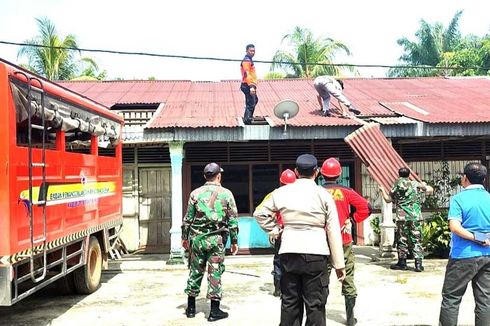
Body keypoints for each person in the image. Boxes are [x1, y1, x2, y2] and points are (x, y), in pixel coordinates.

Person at [254, 154, 346, 326]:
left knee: (290, 303)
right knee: (315, 305)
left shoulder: (281, 192)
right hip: (316, 253)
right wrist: (339, 264)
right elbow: (333, 230)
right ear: (316, 172)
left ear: (296, 172)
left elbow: (259, 213)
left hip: (289, 252)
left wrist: (275, 229)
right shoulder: (324, 195)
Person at [181, 162, 239, 322]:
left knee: (195, 271)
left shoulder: (195, 194)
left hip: (197, 240)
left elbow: (188, 219)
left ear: (205, 176)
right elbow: (233, 220)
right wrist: (234, 241)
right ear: (219, 176)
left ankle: (191, 308)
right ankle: (214, 311)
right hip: (216, 240)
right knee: (215, 272)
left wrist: (184, 238)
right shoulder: (226, 194)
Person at [320, 157, 372, 326]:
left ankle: (319, 316)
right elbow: (366, 207)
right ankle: (350, 318)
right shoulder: (346, 191)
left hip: (321, 241)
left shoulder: (317, 192)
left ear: (321, 173)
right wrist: (352, 218)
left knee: (321, 278)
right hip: (344, 241)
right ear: (340, 173)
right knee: (348, 277)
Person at [439, 162, 490, 326]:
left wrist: (476, 237)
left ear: (465, 178)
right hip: (487, 255)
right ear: (484, 178)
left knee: (451, 298)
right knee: (484, 300)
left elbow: (454, 227)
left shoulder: (458, 199)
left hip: (463, 255)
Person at [379, 167, 433, 272]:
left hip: (401, 217)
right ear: (409, 174)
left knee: (402, 240)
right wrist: (424, 185)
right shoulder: (415, 184)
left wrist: (382, 191)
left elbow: (388, 200)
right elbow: (430, 190)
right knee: (416, 239)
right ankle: (418, 264)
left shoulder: (396, 185)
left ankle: (402, 263)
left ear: (399, 174)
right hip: (415, 217)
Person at [256, 169, 297, 297]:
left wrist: (271, 227)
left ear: (281, 182)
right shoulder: (301, 193)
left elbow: (259, 211)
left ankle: (278, 289)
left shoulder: (275, 194)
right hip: (296, 232)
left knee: (279, 261)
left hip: (280, 232)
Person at [240, 44, 258, 125]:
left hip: (249, 84)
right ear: (247, 51)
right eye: (251, 51)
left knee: (253, 100)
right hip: (247, 84)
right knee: (251, 102)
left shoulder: (249, 60)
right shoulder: (247, 60)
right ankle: (247, 119)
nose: (252, 52)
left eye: (254, 51)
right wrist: (251, 86)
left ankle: (248, 117)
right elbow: (247, 73)